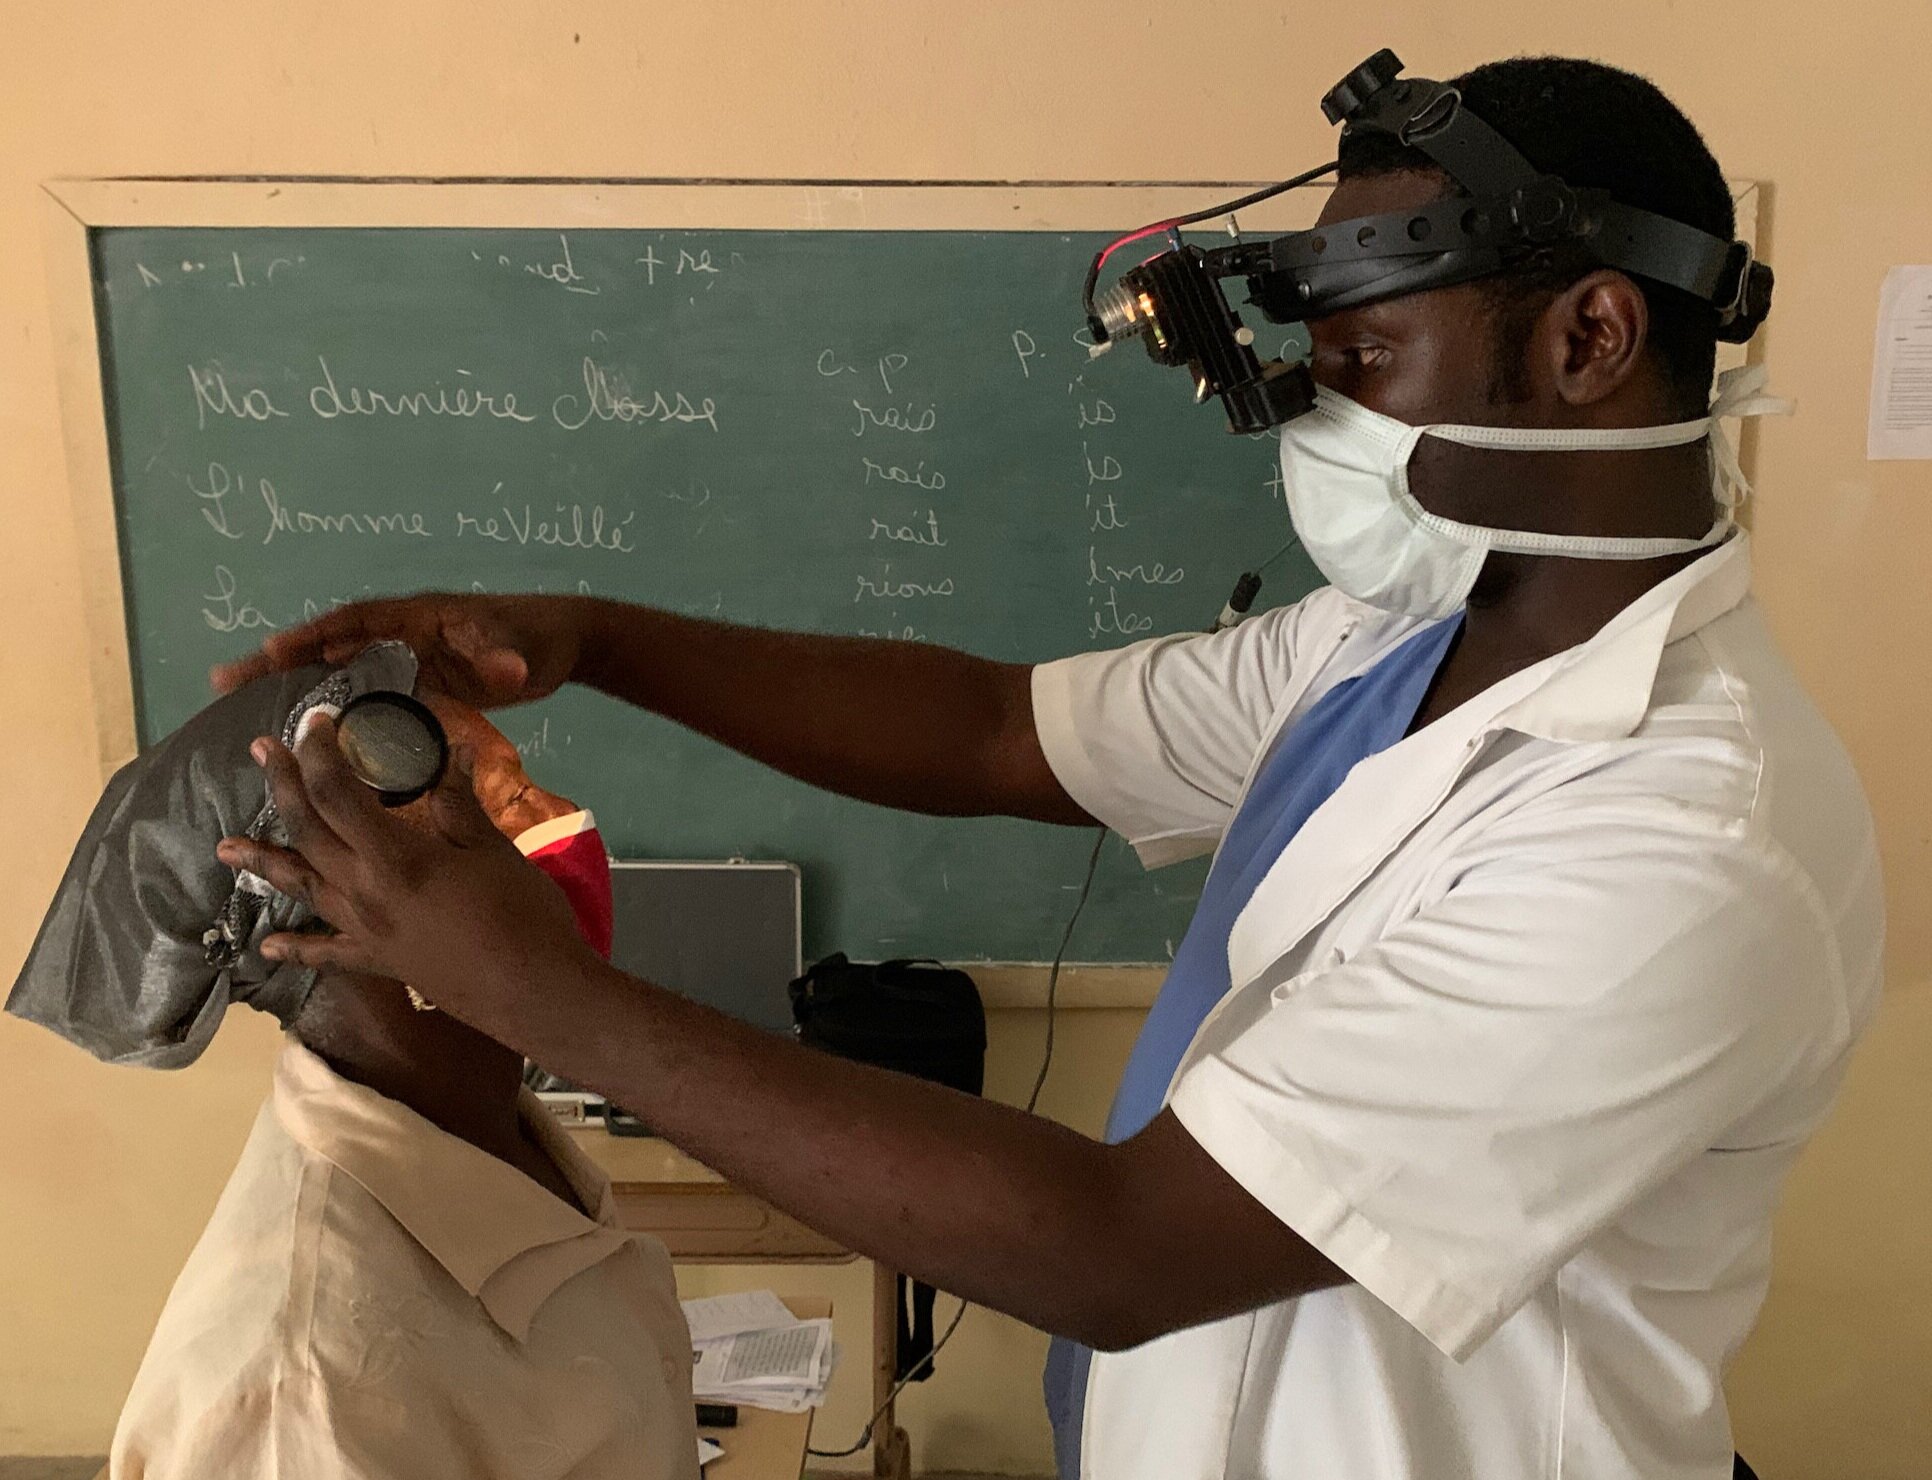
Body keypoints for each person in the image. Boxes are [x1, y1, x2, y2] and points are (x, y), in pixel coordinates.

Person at [210, 57, 1882, 1480]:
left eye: (1362, 360)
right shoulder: (1397, 634)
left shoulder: (1682, 836)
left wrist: (535, 993)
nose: (1320, 414)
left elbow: (1121, 1247)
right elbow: (999, 734)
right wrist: (595, 638)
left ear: (1586, 338)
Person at [8, 656, 698, 1480]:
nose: (562, 818)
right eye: (509, 806)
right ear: (361, 919)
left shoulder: (497, 1142)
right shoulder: (304, 1397)